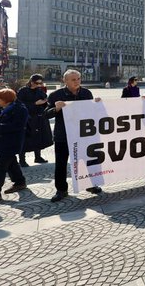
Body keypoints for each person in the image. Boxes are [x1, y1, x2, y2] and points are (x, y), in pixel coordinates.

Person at [46, 70, 102, 202]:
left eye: (78, 79)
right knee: (61, 164)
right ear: (65, 81)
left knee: (86, 161)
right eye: (73, 80)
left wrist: (97, 104)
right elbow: (45, 114)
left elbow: (91, 112)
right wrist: (56, 109)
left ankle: (90, 185)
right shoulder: (56, 95)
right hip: (63, 135)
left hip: (83, 134)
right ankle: (61, 190)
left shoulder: (86, 93)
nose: (77, 81)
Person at [16, 74, 52, 167]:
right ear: (31, 82)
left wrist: (45, 102)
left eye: (41, 83)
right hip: (27, 117)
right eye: (37, 83)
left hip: (39, 116)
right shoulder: (23, 90)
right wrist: (34, 103)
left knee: (38, 137)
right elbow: (19, 104)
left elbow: (46, 101)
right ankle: (22, 160)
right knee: (25, 138)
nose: (39, 85)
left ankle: (38, 156)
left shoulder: (40, 90)